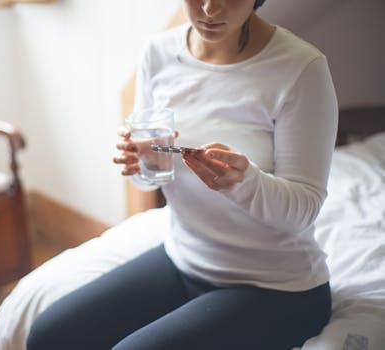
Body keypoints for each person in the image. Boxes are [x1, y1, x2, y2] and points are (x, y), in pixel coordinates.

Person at [26, 0, 338, 349]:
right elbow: (152, 174)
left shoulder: (300, 68)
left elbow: (305, 209)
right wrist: (139, 164)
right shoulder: (158, 53)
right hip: (183, 259)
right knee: (48, 334)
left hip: (276, 287)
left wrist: (244, 182)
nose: (209, 9)